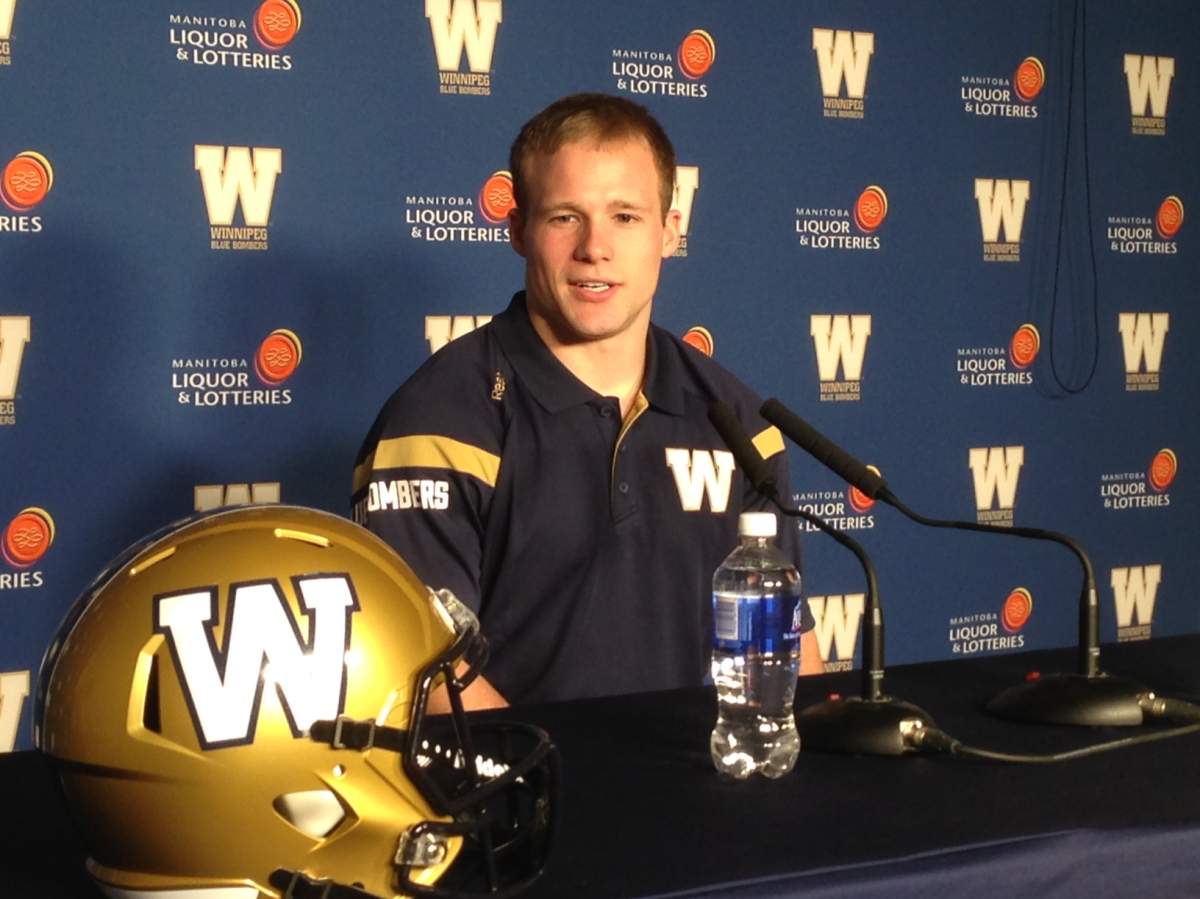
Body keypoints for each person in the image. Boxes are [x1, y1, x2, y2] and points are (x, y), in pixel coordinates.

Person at [353, 92, 820, 709]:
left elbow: (786, 647)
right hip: (512, 769)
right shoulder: (440, 419)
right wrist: (556, 771)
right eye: (564, 217)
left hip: (690, 769)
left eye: (625, 216)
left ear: (669, 232)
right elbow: (425, 668)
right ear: (519, 230)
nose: (594, 247)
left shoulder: (737, 423)